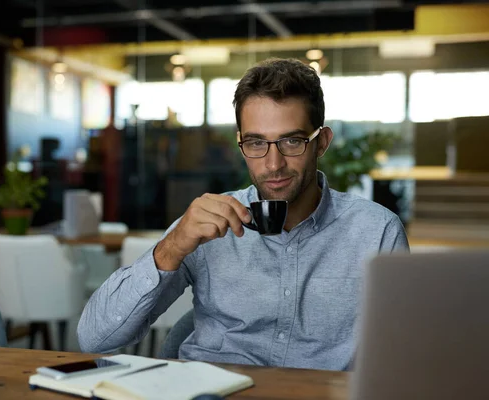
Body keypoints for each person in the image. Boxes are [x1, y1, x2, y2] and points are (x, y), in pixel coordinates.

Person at [77, 58, 409, 371]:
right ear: (240, 144)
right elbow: (95, 338)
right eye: (255, 143)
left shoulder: (376, 232)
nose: (273, 163)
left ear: (321, 142)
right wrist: (172, 246)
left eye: (292, 142)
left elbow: (402, 357)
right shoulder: (205, 223)